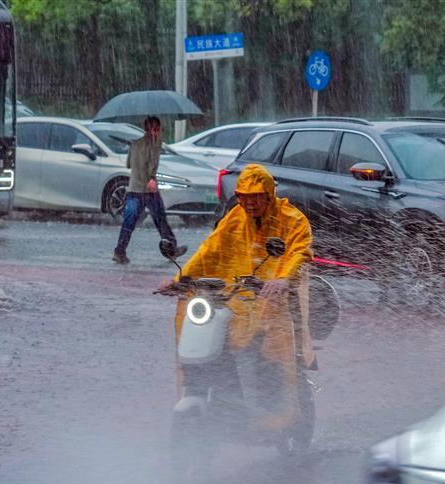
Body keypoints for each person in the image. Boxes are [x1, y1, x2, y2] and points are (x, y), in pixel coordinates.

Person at [168, 163, 315, 431]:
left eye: (256, 197)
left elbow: (300, 254)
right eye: (244, 197)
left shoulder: (292, 219)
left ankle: (271, 410)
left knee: (260, 342)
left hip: (276, 300)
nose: (249, 203)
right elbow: (210, 251)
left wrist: (283, 279)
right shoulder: (234, 218)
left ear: (269, 195)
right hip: (235, 297)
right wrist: (180, 280)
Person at [113, 116, 187, 264]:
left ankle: (119, 251)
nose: (159, 132)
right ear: (155, 129)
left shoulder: (135, 143)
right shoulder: (156, 143)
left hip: (133, 188)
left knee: (129, 222)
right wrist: (152, 178)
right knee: (160, 220)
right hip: (148, 189)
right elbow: (153, 163)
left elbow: (128, 164)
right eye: (158, 129)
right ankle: (171, 250)